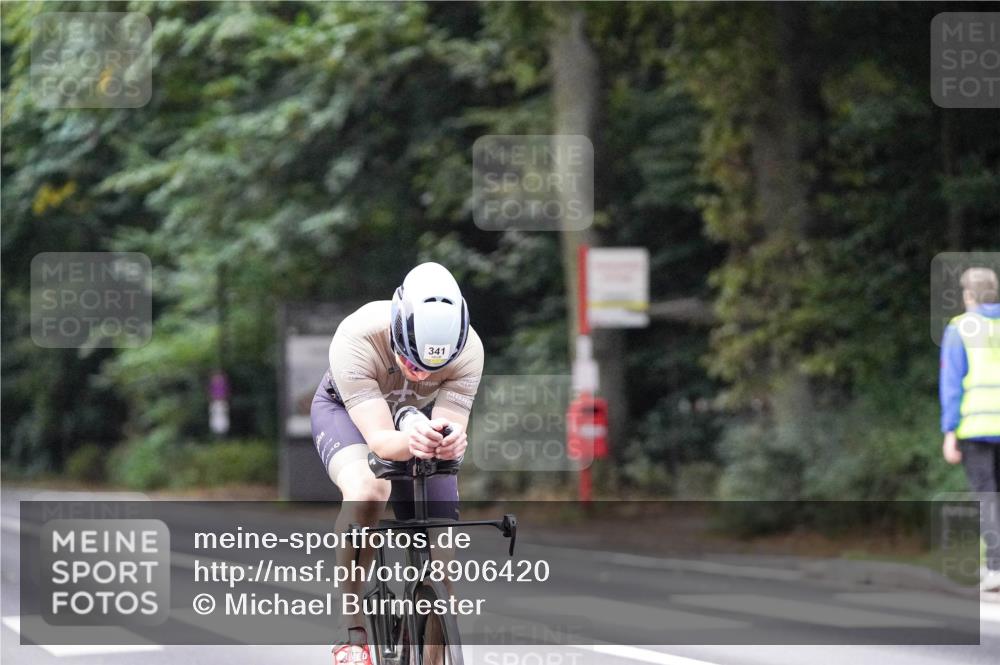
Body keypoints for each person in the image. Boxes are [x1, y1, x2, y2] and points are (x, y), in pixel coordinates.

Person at [310, 262, 483, 663]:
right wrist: (412, 438)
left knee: (442, 550)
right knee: (370, 489)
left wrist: (452, 440)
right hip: (350, 415)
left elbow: (451, 429)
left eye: (432, 368)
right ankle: (351, 623)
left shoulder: (470, 350)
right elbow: (383, 444)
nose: (419, 372)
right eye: (410, 360)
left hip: (414, 422)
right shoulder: (357, 337)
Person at [940, 266, 1000, 592]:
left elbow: (951, 385)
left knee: (988, 497)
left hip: (976, 428)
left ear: (969, 296)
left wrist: (950, 431)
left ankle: (996, 567)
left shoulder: (960, 328)